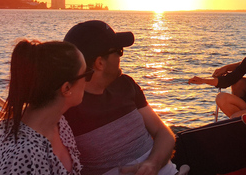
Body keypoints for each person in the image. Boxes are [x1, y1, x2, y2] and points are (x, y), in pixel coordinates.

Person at [63, 20, 178, 175]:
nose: (120, 57)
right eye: (119, 51)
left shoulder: (125, 84)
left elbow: (163, 133)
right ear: (99, 63)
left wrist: (152, 165)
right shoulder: (67, 108)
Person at [0, 40, 89, 175]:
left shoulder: (59, 125)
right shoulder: (22, 155)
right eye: (86, 74)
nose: (88, 80)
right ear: (67, 88)